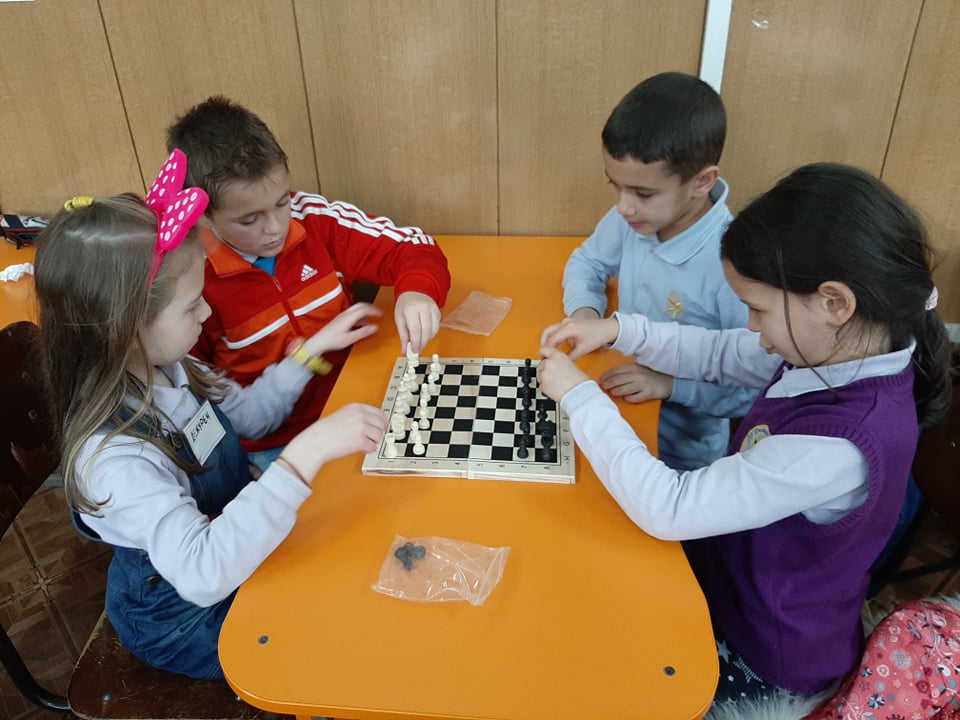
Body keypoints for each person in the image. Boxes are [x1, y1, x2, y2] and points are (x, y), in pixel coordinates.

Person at [538, 163, 953, 704]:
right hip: (730, 579)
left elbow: (669, 507)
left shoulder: (839, 445)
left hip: (762, 652)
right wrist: (618, 329)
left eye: (758, 309)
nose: (752, 326)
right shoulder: (847, 347)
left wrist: (580, 398)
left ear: (834, 303)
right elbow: (720, 352)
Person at [34, 151, 388, 679]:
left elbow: (248, 418)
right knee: (340, 644)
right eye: (192, 304)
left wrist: (312, 352)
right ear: (125, 326)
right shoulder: (115, 459)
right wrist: (305, 453)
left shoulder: (174, 366)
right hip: (183, 616)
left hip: (236, 546)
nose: (206, 312)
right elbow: (201, 572)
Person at [166, 96, 450, 470]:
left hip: (358, 400)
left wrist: (415, 290)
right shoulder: (190, 282)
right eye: (249, 220)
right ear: (204, 217)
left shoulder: (314, 218)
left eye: (282, 201)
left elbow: (413, 246)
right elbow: (217, 404)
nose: (275, 227)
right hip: (276, 443)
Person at [562, 72, 757, 471]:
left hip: (681, 452)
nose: (623, 206)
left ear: (702, 182)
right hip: (615, 411)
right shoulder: (636, 218)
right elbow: (588, 262)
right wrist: (586, 313)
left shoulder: (736, 264)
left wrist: (671, 386)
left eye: (643, 193)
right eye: (615, 185)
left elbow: (755, 384)